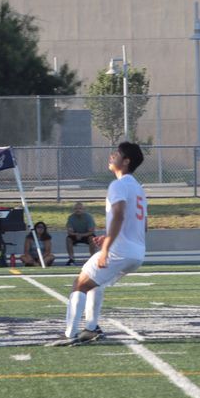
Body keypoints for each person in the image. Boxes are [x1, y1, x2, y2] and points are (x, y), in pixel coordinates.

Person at [55, 142, 147, 345]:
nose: (111, 156)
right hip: (137, 253)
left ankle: (69, 335)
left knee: (79, 284)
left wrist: (106, 248)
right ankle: (91, 328)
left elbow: (120, 215)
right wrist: (109, 238)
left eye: (116, 154)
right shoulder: (138, 188)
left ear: (126, 161)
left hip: (120, 251)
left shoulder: (118, 185)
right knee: (95, 283)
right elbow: (142, 225)